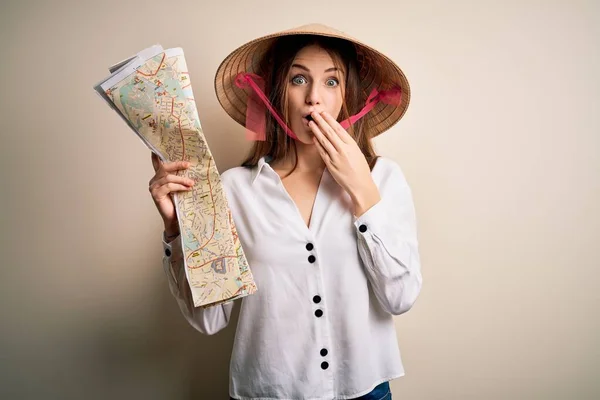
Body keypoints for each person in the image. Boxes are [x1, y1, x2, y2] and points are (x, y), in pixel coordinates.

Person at [148, 23, 422, 400]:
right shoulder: (235, 190)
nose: (314, 98)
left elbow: (401, 297)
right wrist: (178, 232)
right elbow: (209, 320)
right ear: (276, 94)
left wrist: (360, 189)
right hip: (268, 392)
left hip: (365, 389)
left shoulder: (383, 179)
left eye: (331, 82)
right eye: (298, 79)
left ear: (348, 97)